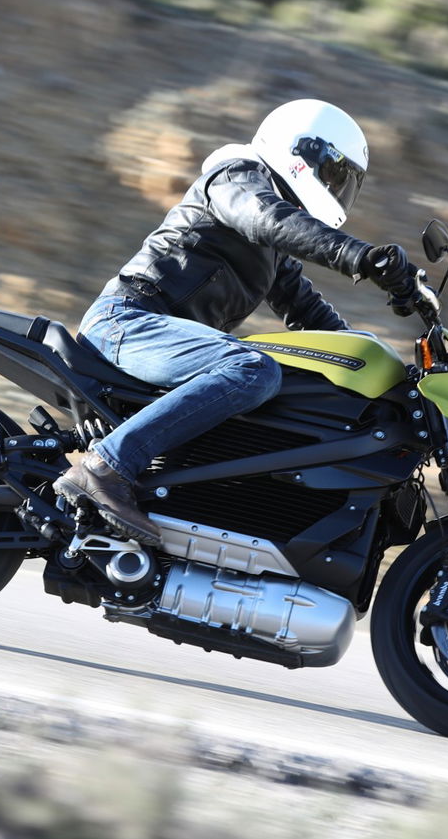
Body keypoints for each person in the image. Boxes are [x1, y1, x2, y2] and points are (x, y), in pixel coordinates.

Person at [54, 98, 418, 545]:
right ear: (299, 152)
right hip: (130, 320)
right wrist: (359, 256)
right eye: (331, 171)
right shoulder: (236, 177)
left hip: (157, 336)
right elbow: (268, 218)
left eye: (343, 179)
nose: (334, 185)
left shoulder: (270, 252)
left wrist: (380, 374)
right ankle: (105, 467)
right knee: (252, 369)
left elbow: (309, 314)